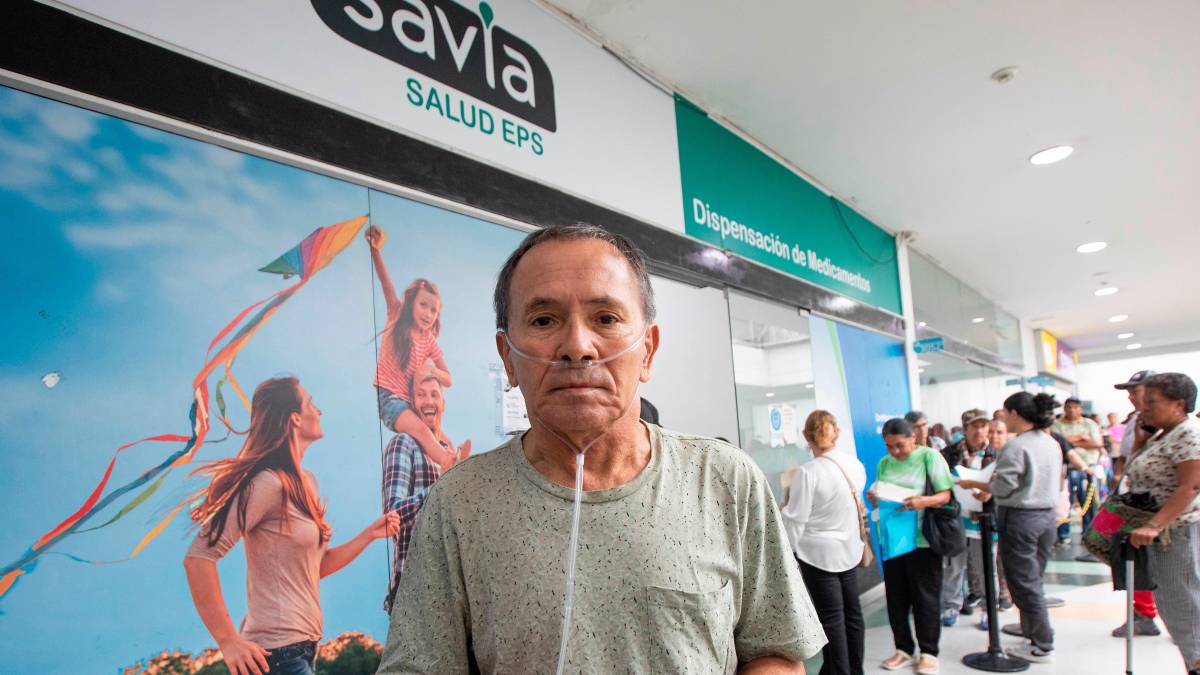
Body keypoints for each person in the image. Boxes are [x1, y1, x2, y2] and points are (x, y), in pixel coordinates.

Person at [378, 225, 825, 673]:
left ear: (647, 350)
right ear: (508, 357)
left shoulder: (724, 480)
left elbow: (774, 650)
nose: (577, 347)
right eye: (543, 320)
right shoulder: (461, 502)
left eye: (606, 318)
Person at [183, 377, 400, 675]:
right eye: (311, 403)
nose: (318, 411)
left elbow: (315, 567)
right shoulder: (267, 484)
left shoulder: (306, 483)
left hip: (303, 652)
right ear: (295, 418)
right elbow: (198, 558)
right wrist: (228, 642)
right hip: (276, 656)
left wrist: (368, 536)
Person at [959, 392, 1062, 664]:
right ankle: (1031, 630)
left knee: (1023, 582)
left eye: (1004, 412)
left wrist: (975, 484)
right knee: (1034, 578)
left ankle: (1042, 644)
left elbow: (1003, 487)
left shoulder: (1016, 446)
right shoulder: (1050, 442)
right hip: (1046, 518)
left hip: (1021, 519)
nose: (1002, 418)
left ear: (1015, 413)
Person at [781, 410, 867, 675]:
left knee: (831, 620)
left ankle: (838, 671)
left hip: (817, 555)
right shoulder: (854, 465)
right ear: (836, 433)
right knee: (853, 614)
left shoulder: (808, 473)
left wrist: (788, 553)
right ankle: (856, 670)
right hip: (849, 550)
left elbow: (797, 519)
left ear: (806, 436)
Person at [1124, 373, 1200, 673]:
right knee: (1174, 605)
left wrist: (1155, 525)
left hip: (1176, 532)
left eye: (1152, 402)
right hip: (1163, 533)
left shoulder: (1188, 433)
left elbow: (1191, 486)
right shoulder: (1163, 433)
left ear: (1178, 404)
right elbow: (1135, 470)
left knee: (1185, 607)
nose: (1143, 408)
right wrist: (1141, 441)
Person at [366, 225, 457, 471]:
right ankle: (448, 463)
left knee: (438, 434)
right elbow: (386, 284)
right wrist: (375, 250)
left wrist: (432, 371)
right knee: (423, 433)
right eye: (423, 305)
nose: (428, 314)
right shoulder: (397, 316)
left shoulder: (429, 340)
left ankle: (455, 457)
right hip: (390, 400)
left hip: (409, 402)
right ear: (411, 304)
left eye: (433, 310)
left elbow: (448, 379)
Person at [868, 418, 954, 675]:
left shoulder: (929, 457)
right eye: (889, 446)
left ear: (913, 438)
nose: (895, 451)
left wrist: (922, 501)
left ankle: (928, 651)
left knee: (925, 597)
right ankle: (903, 648)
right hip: (893, 538)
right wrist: (875, 498)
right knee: (896, 597)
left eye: (900, 445)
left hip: (922, 539)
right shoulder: (884, 464)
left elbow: (946, 495)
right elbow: (881, 497)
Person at [381, 373, 471, 613]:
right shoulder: (403, 444)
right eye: (421, 395)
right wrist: (442, 486)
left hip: (449, 593)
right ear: (412, 403)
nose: (428, 401)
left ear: (443, 403)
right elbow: (392, 516)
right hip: (413, 590)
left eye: (434, 395)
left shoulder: (447, 453)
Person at [1110, 369, 1161, 638]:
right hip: (1133, 501)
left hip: (1159, 507)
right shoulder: (1134, 420)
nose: (1131, 396)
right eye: (1129, 392)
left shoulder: (1168, 423)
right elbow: (1125, 457)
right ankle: (1142, 613)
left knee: (1170, 571)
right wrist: (1119, 479)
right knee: (1134, 559)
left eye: (1136, 391)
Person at [939, 409, 998, 628]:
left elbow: (1005, 484)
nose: (979, 431)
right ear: (965, 429)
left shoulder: (996, 453)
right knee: (954, 566)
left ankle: (988, 609)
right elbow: (939, 481)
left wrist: (990, 494)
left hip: (984, 520)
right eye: (974, 426)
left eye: (983, 426)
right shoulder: (949, 453)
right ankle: (951, 606)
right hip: (956, 518)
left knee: (986, 567)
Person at [1055, 397, 1106, 534]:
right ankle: (1063, 534)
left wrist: (1068, 443)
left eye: (1075, 407)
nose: (1071, 410)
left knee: (1088, 502)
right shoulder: (1057, 424)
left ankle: (1088, 532)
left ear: (1080, 409)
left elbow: (1097, 444)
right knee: (1065, 502)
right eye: (1068, 407)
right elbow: (1057, 442)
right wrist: (1081, 438)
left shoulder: (1089, 424)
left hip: (1088, 467)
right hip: (1065, 468)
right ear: (1064, 408)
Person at [988, 419, 1014, 612]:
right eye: (991, 432)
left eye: (999, 432)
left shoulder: (1012, 455)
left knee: (1005, 558)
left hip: (1009, 513)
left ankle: (1007, 594)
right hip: (987, 513)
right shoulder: (985, 455)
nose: (994, 436)